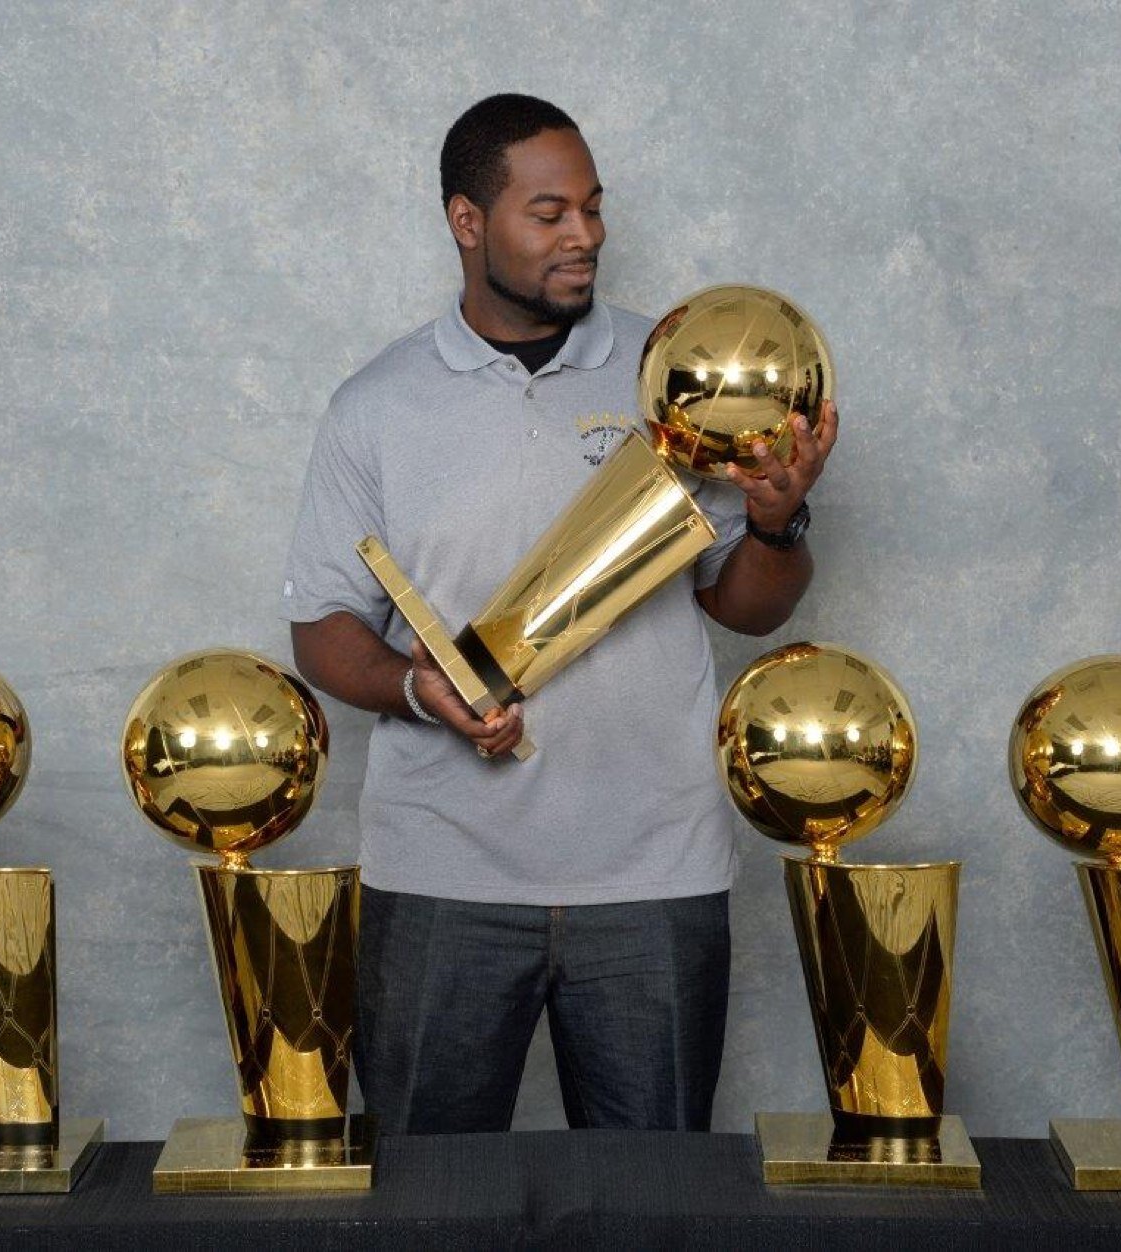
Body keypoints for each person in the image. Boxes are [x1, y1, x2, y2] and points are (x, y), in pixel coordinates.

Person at [282, 94, 837, 1134]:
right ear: (465, 221)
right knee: (422, 1200)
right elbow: (322, 630)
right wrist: (415, 687)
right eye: (548, 213)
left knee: (650, 1203)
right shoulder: (376, 405)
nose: (584, 236)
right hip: (440, 872)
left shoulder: (675, 378)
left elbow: (746, 610)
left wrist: (774, 522)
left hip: (653, 873)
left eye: (592, 207)